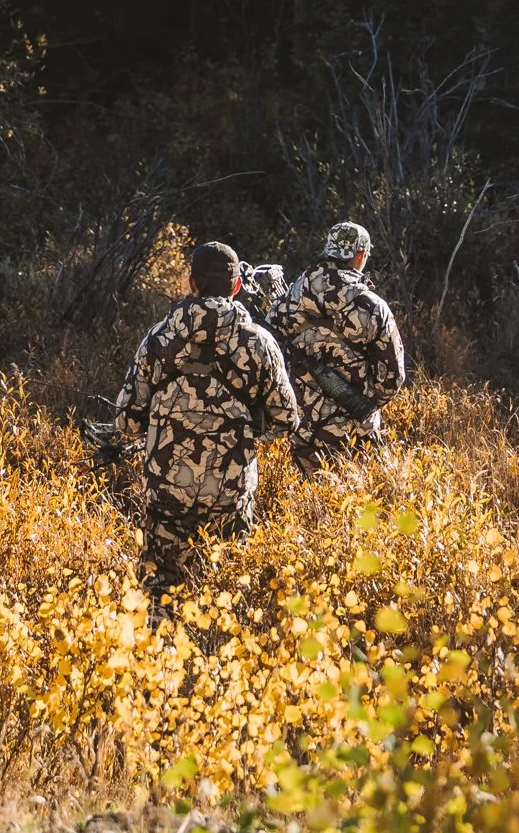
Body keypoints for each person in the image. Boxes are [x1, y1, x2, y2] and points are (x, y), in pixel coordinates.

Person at [108, 239, 300, 607]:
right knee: (226, 598)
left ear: (191, 283)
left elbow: (126, 422)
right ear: (237, 286)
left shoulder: (158, 338)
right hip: (230, 493)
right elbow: (286, 422)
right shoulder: (260, 343)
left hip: (166, 492)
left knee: (159, 596)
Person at [278, 220, 406, 463]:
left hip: (303, 431)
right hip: (358, 435)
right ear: (361, 255)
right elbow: (392, 379)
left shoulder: (288, 299)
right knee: (359, 500)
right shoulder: (372, 307)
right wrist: (361, 405)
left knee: (306, 499)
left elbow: (272, 361)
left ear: (329, 251)